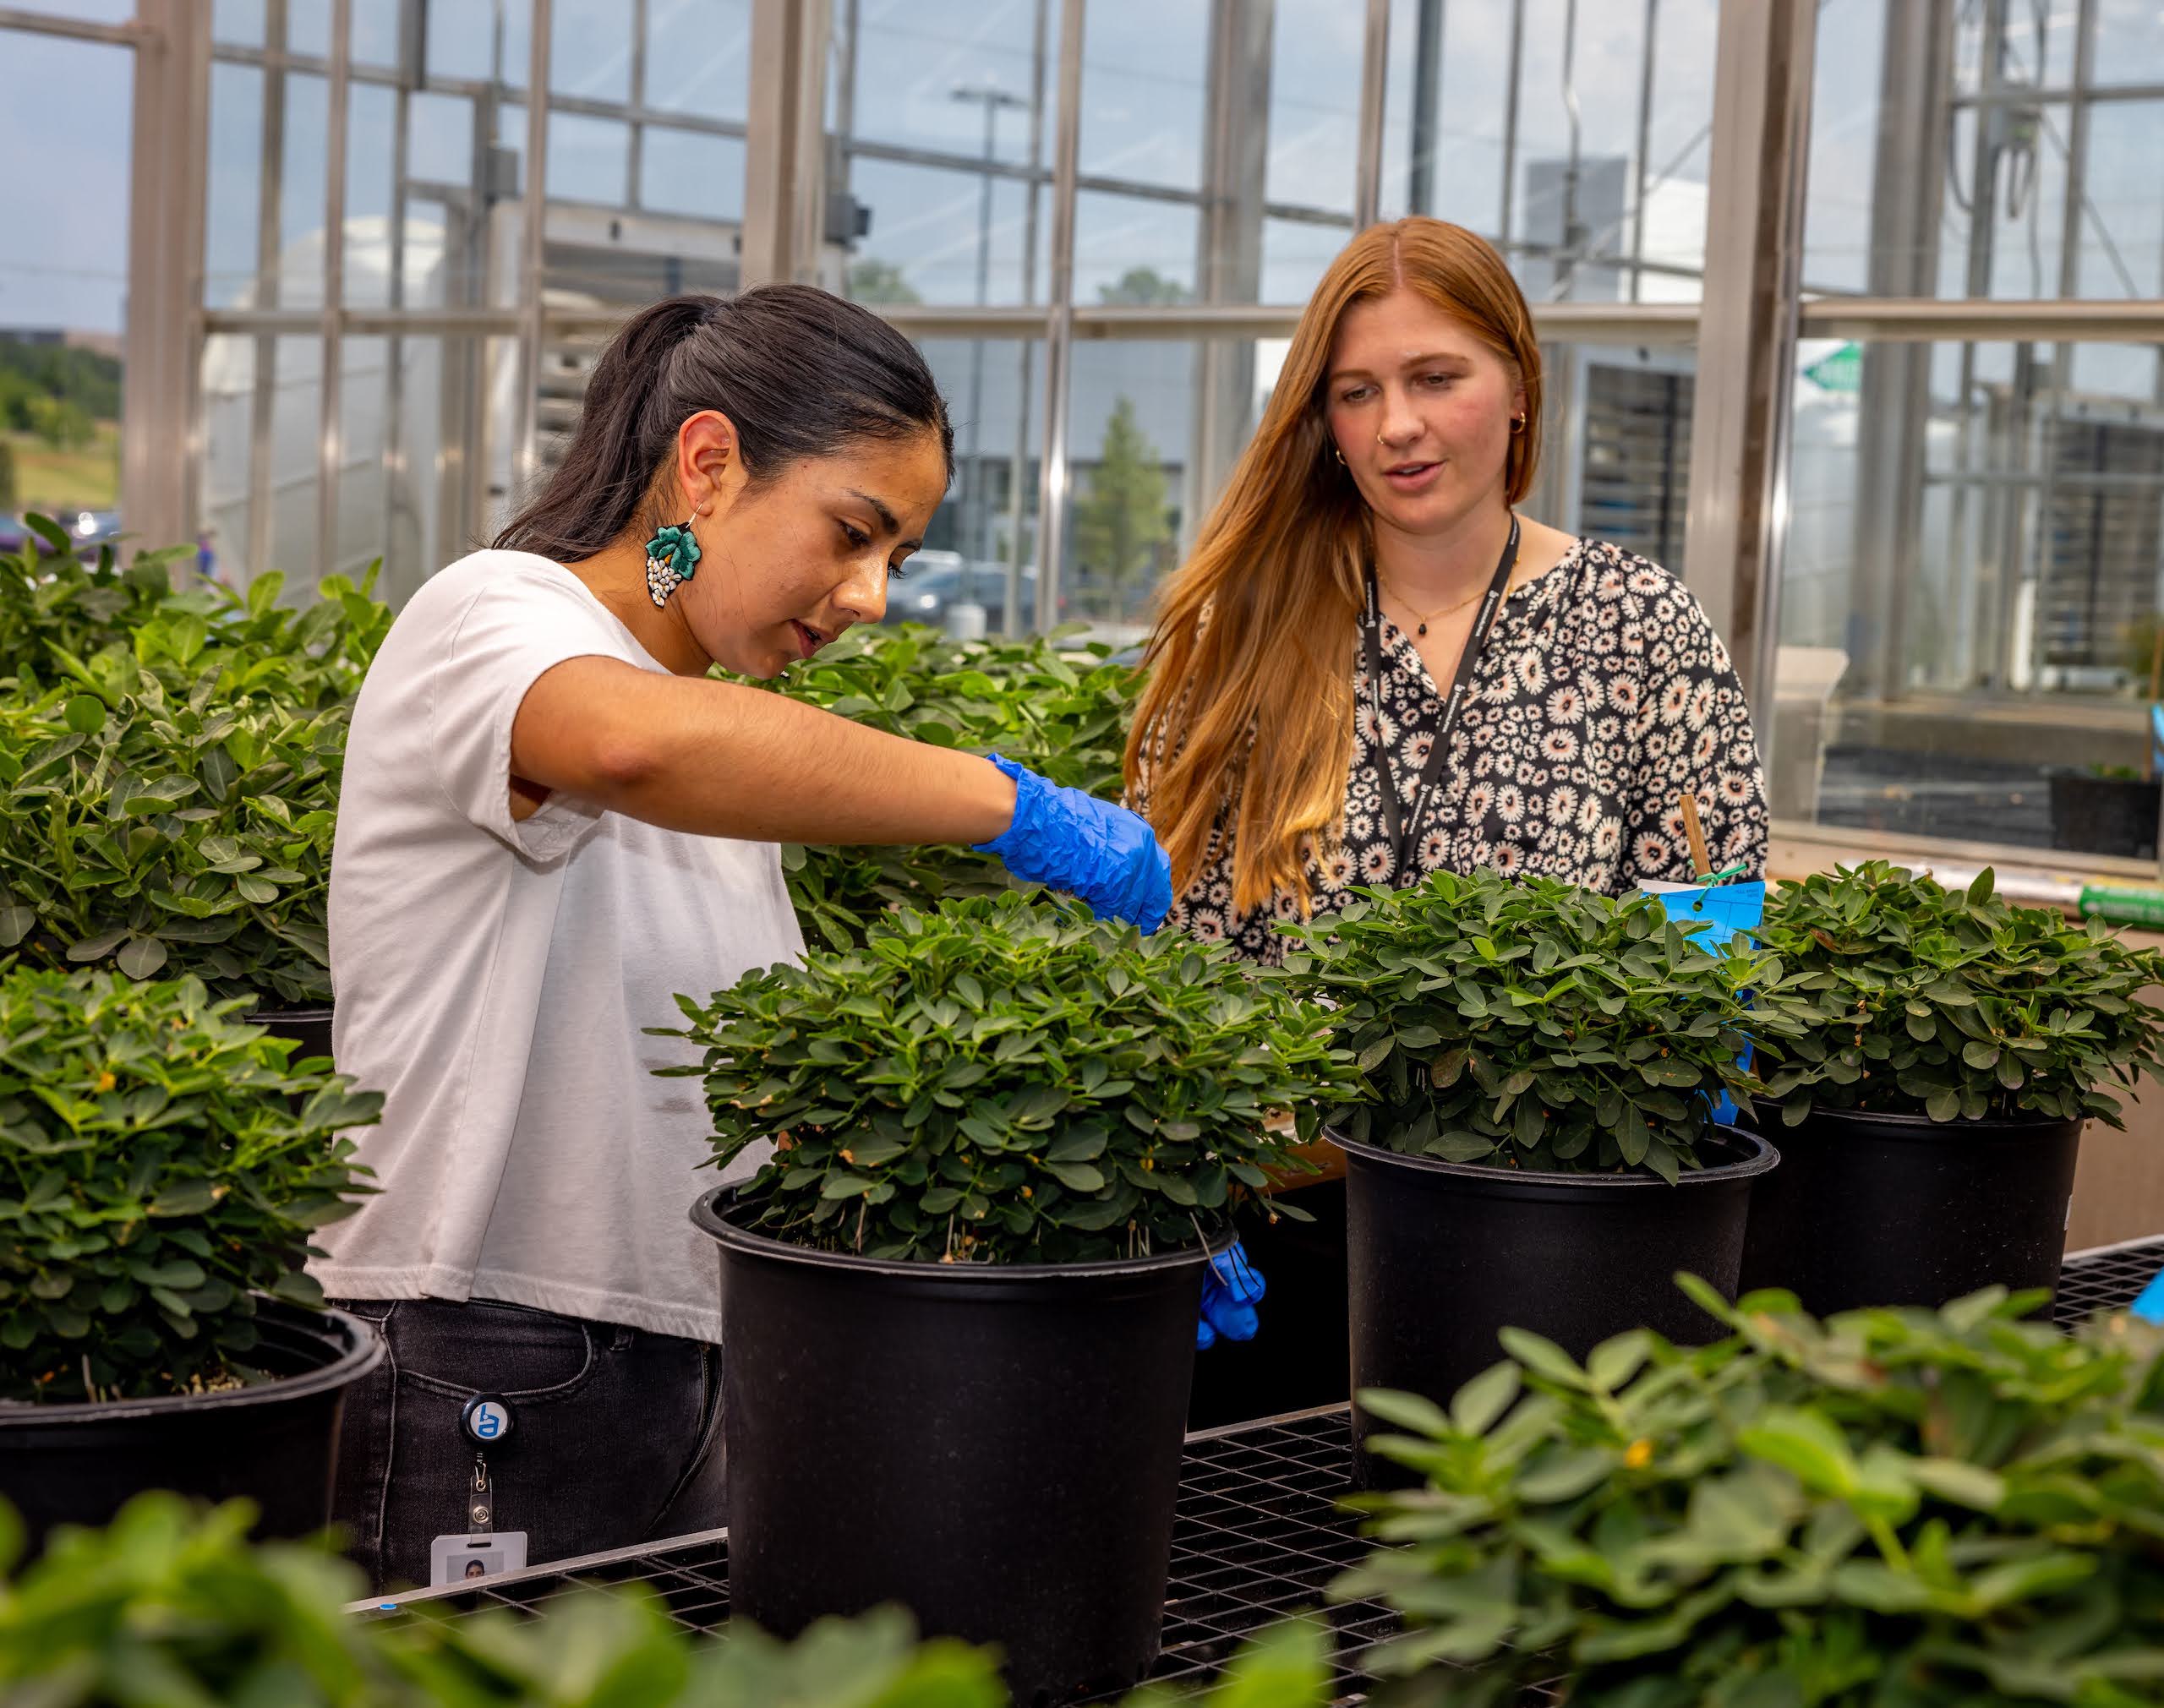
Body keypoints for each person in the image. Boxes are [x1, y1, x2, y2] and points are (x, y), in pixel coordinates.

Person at [318, 286, 1170, 1591]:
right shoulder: (492, 615)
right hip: (482, 1342)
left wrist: (1115, 1197)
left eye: (898, 557)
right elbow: (621, 743)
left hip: (687, 1355)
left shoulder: (712, 732)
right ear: (707, 465)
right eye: (853, 531)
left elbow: (728, 1088)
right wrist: (1014, 807)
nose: (872, 595)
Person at [1128, 217, 1766, 960]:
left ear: (1519, 389)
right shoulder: (1247, 624)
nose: (1397, 425)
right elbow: (1177, 956)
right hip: (1289, 1076)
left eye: (1436, 378)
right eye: (1358, 392)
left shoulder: (1641, 625)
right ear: (1325, 421)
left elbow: (1706, 963)